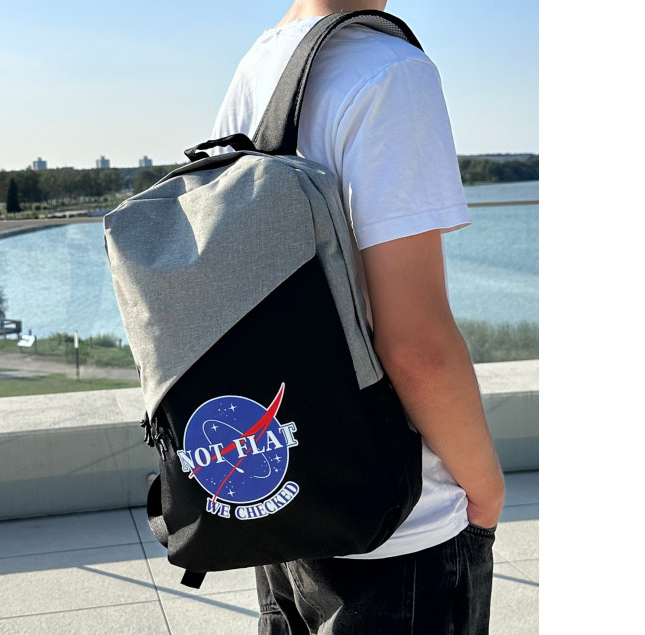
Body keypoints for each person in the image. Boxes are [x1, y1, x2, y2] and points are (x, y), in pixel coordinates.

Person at [209, 1, 505, 633]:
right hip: (400, 522)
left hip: (288, 490)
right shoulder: (388, 71)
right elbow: (415, 344)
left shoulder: (260, 65)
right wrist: (486, 488)